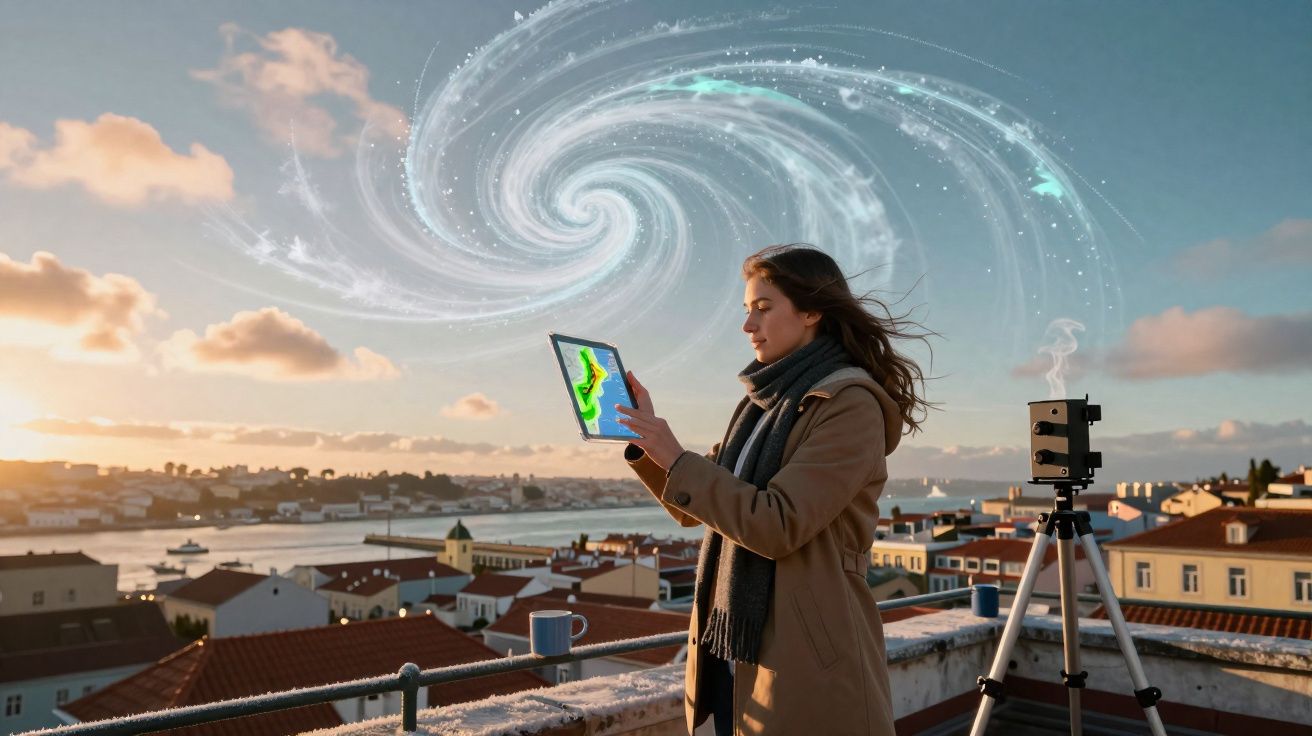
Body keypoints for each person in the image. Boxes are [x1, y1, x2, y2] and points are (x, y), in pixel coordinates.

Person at [616, 244, 935, 736]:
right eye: (747, 311)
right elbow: (699, 506)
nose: (748, 326)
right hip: (730, 650)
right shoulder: (761, 406)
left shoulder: (849, 405)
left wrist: (677, 458)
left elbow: (776, 524)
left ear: (812, 311)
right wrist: (649, 443)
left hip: (804, 657)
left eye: (763, 309)